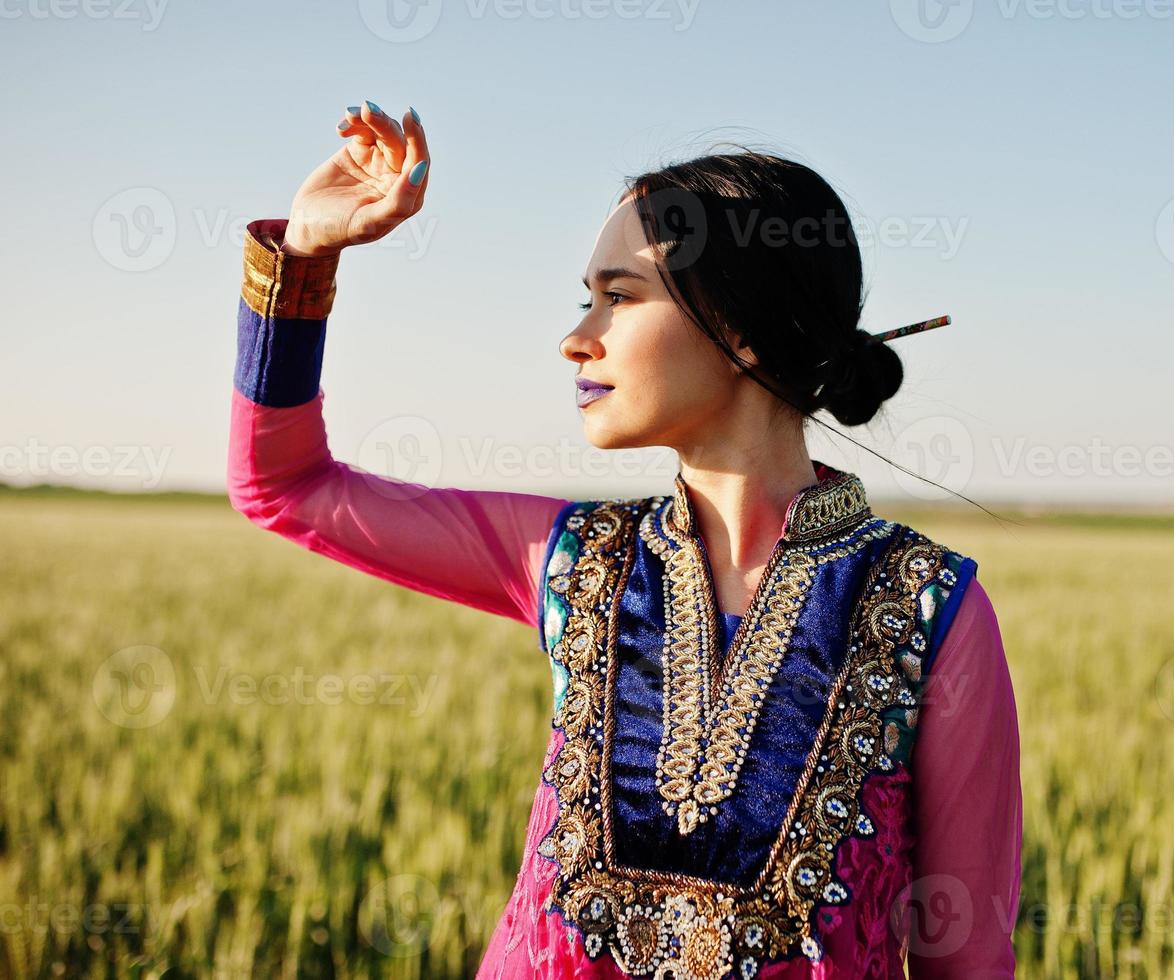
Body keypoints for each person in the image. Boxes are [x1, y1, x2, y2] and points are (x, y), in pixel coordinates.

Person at [228, 100, 1022, 979]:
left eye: (617, 298)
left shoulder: (927, 609)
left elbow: (968, 955)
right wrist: (304, 257)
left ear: (739, 328)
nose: (576, 339)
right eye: (585, 299)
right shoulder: (570, 560)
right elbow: (285, 486)